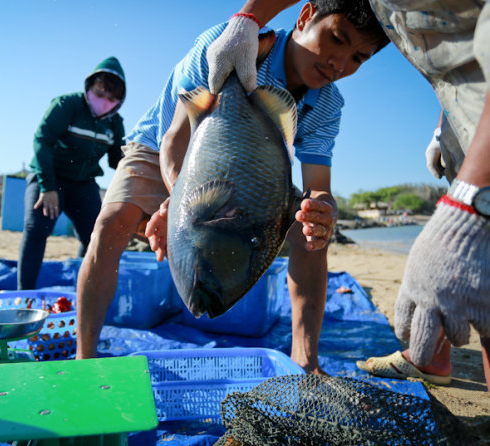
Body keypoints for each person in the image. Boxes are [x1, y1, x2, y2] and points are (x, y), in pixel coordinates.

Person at [76, 0, 390, 375]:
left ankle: (306, 361)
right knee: (111, 221)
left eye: (358, 58)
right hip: (163, 148)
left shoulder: (328, 103)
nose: (340, 63)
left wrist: (324, 209)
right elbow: (177, 136)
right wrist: (179, 203)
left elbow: (317, 186)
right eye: (336, 38)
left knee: (312, 233)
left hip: (253, 176)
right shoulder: (224, 42)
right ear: (305, 16)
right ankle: (85, 355)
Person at [352, 1, 490, 393]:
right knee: (472, 280)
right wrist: (250, 17)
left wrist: (471, 206)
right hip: (462, 115)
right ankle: (432, 359)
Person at [17, 57, 126, 290]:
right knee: (36, 229)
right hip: (49, 177)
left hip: (83, 183)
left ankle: (80, 289)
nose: (104, 102)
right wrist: (47, 188)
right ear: (89, 88)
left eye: (111, 98)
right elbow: (41, 141)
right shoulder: (66, 105)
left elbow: (117, 159)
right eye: (100, 94)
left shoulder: (115, 123)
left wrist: (141, 161)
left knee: (95, 236)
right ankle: (23, 296)